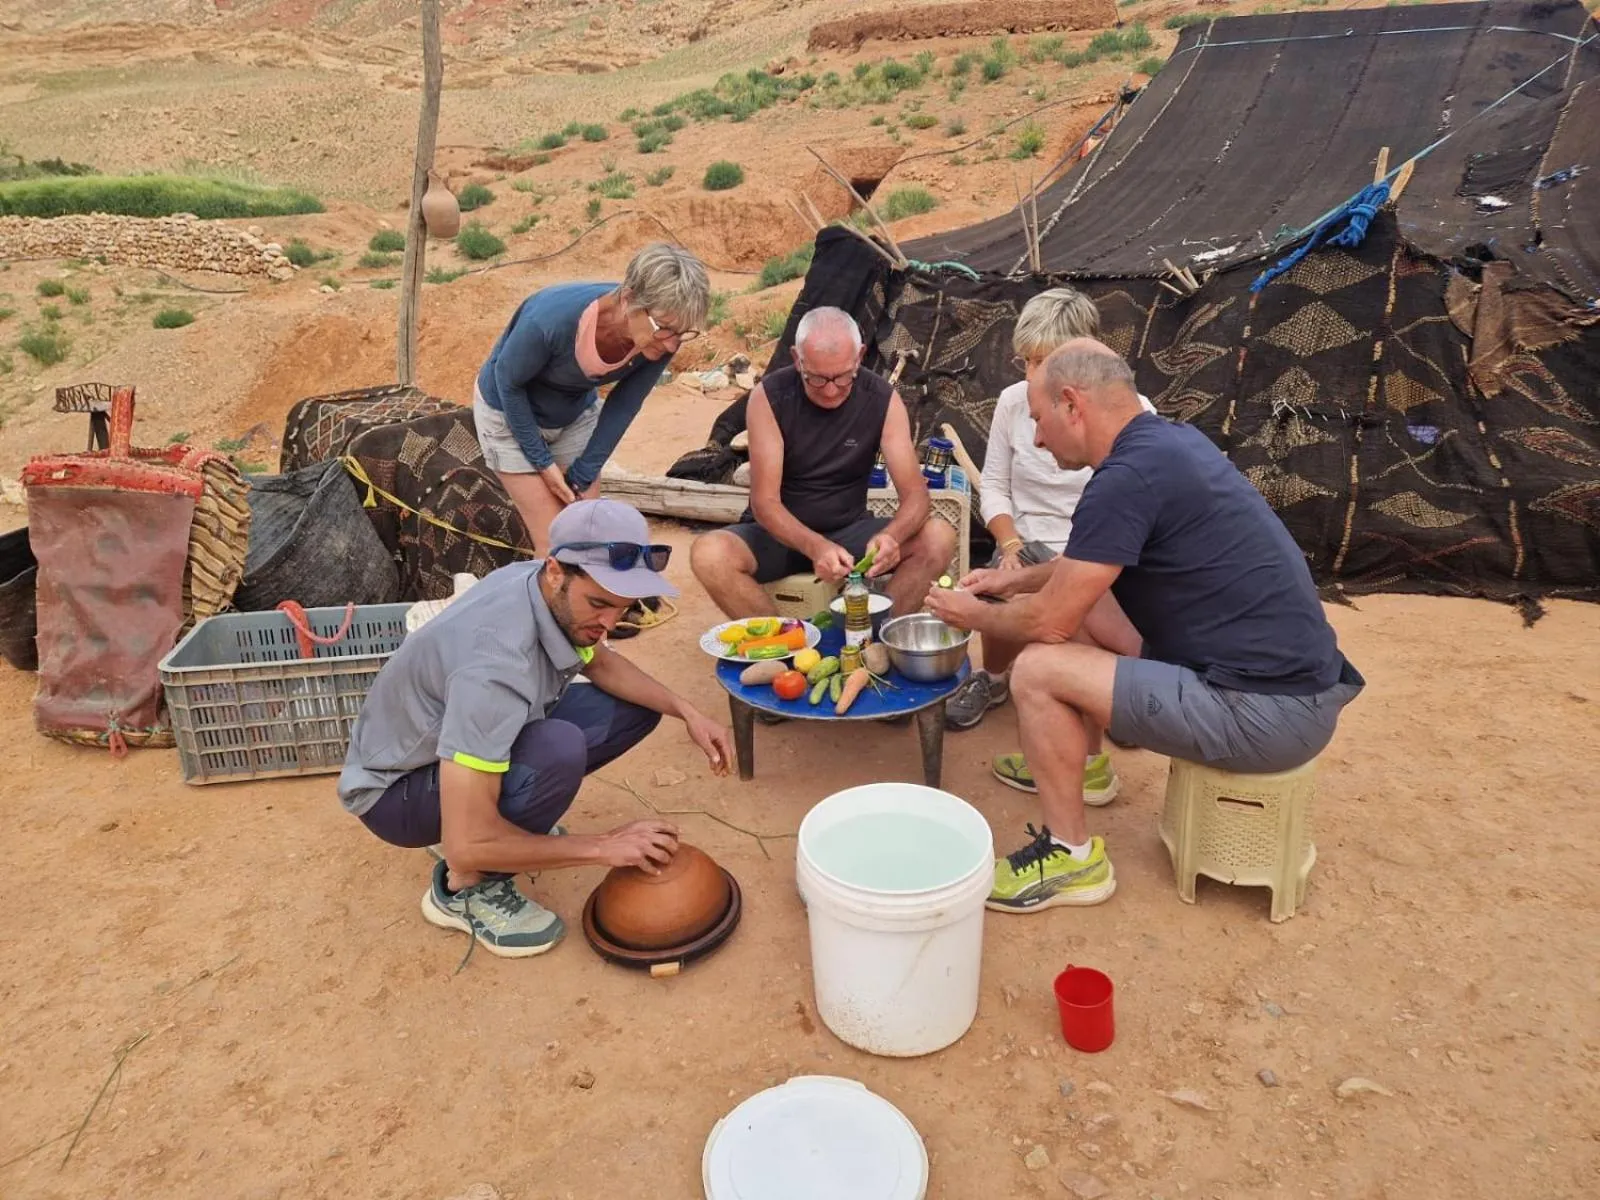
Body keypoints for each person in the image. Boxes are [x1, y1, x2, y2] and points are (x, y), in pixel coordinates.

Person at [925, 339, 1364, 915]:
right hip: (1290, 686)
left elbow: (1051, 622)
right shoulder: (1168, 444)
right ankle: (1085, 767)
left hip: (1265, 711)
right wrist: (1009, 583)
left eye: (1038, 420)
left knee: (1036, 668)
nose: (1035, 438)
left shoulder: (1125, 479)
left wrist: (971, 614)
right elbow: (1086, 572)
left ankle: (1071, 859)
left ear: (1071, 404)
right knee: (1077, 597)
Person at [337, 498, 735, 958]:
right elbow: (466, 846)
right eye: (600, 603)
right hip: (395, 792)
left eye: (623, 605)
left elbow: (601, 663)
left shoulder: (541, 586)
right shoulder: (494, 671)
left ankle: (501, 824)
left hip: (450, 747)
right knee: (555, 748)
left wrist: (687, 710)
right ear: (555, 572)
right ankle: (464, 891)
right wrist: (605, 847)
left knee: (635, 708)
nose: (610, 623)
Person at [947, 287, 1156, 737]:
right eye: (1027, 361)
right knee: (1003, 584)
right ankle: (996, 677)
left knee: (1079, 601)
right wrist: (1010, 545)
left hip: (1097, 552)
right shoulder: (1012, 402)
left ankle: (1110, 695)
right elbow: (996, 487)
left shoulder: (1132, 417)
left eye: (1043, 361)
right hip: (1027, 542)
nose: (1031, 374)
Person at [689, 306, 956, 618]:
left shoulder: (882, 400)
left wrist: (891, 537)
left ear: (859, 356)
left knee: (939, 537)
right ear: (796, 358)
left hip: (849, 532)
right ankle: (787, 647)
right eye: (815, 378)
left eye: (842, 377)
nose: (830, 391)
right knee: (709, 554)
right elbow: (765, 503)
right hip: (778, 536)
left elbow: (916, 496)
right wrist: (815, 547)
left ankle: (876, 641)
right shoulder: (769, 397)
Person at [474, 242, 711, 553]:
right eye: (665, 329)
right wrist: (544, 465)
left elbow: (624, 404)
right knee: (554, 542)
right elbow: (509, 384)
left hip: (573, 412)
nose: (672, 345)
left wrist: (585, 471)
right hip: (508, 411)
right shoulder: (551, 320)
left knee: (582, 533)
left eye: (683, 333)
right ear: (629, 299)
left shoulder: (664, 338)